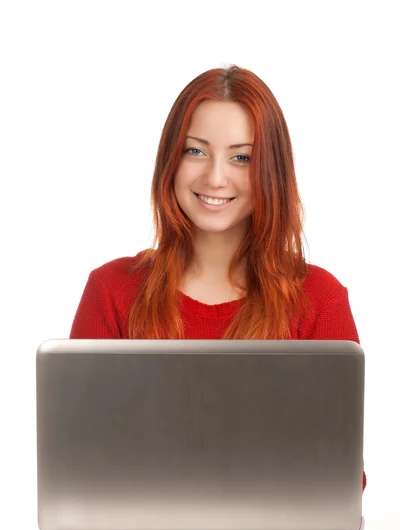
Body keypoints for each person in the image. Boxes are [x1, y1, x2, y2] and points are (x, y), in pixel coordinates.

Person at [70, 64, 366, 492]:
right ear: (170, 159)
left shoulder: (320, 298)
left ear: (271, 172)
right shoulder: (112, 290)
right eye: (196, 151)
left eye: (242, 157)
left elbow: (341, 479)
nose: (214, 177)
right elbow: (78, 459)